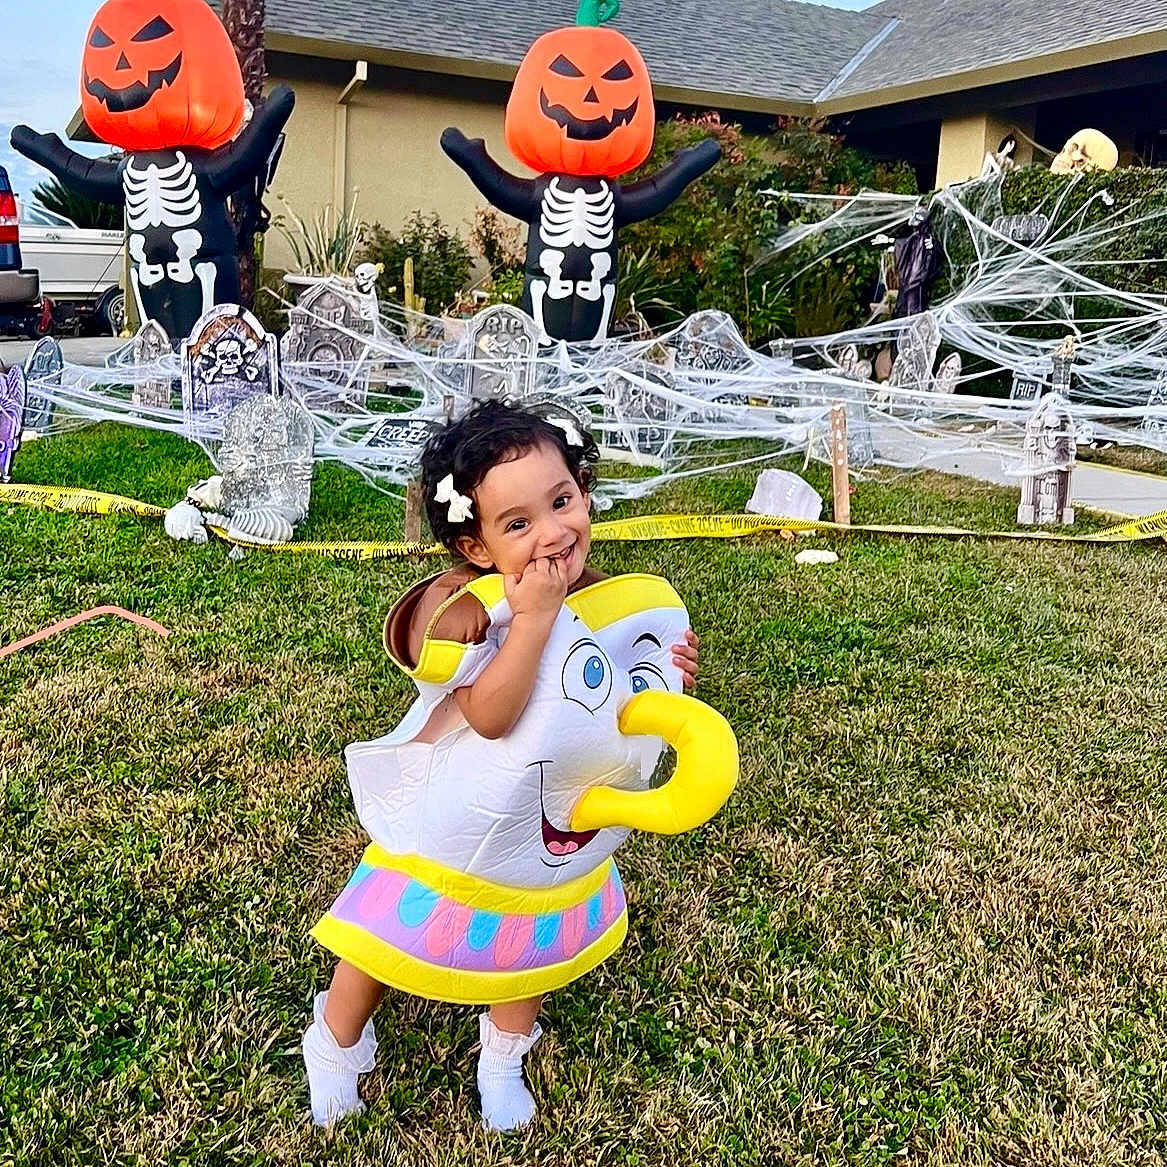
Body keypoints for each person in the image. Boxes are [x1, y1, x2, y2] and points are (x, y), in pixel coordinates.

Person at [302, 401, 700, 1131]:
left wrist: (661, 672)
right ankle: (335, 1039)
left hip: (548, 825)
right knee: (384, 941)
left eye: (561, 501)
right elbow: (492, 715)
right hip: (457, 826)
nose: (551, 532)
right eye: (517, 523)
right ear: (476, 546)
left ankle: (503, 1054)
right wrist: (536, 618)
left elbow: (614, 705)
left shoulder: (610, 601)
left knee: (534, 935)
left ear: (584, 491)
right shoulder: (476, 611)